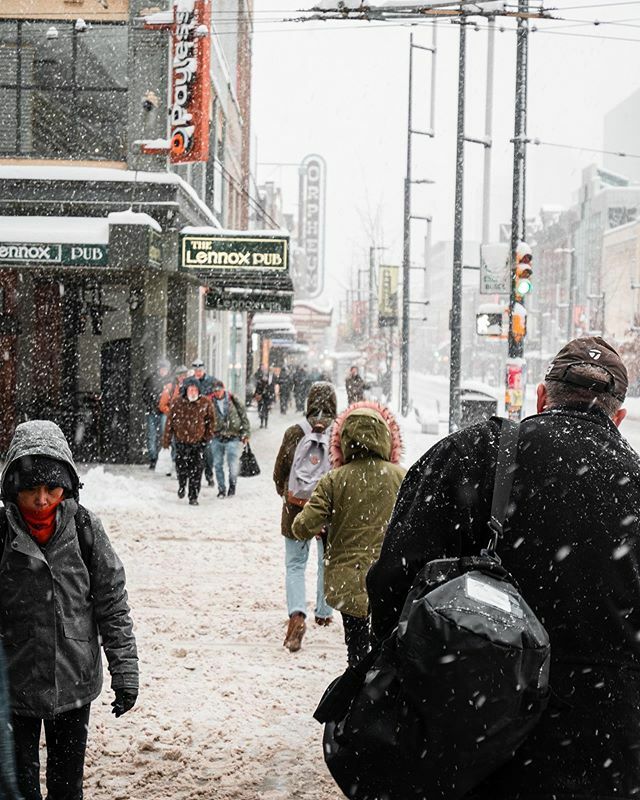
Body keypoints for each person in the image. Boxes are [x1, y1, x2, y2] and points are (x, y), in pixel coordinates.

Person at [367, 336, 640, 800]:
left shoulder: (470, 455)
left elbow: (393, 583)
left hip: (478, 741)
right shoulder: (633, 484)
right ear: (618, 415)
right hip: (609, 752)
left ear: (540, 396)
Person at [0, 420, 138, 800]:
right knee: (17, 791)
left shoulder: (84, 528)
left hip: (74, 684)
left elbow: (112, 604)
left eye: (52, 488)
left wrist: (125, 672)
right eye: (31, 489)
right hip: (16, 687)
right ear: (14, 488)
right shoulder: (3, 533)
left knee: (66, 790)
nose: (42, 500)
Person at [292, 402, 405, 666]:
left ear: (343, 440)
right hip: (389, 578)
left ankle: (356, 686)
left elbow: (303, 526)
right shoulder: (401, 477)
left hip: (348, 579)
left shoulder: (334, 479)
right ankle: (378, 689)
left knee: (355, 647)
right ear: (386, 437)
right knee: (385, 643)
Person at [273, 382, 337, 653]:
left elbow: (279, 473)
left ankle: (297, 615)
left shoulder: (294, 432)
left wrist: (291, 499)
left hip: (296, 509)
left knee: (296, 565)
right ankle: (324, 611)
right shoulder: (340, 432)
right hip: (328, 510)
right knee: (327, 561)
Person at [162, 376, 214, 506]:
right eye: (191, 389)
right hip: (181, 442)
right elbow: (170, 423)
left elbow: (211, 422)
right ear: (186, 390)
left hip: (198, 443)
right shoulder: (177, 403)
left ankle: (193, 496)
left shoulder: (205, 403)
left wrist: (206, 438)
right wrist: (166, 440)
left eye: (195, 389)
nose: (193, 392)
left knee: (196, 471)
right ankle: (182, 485)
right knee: (182, 468)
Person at [210, 379, 250, 498]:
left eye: (219, 390)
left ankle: (232, 486)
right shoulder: (210, 402)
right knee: (217, 464)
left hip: (233, 436)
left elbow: (243, 416)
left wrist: (245, 433)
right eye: (215, 391)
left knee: (233, 464)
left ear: (223, 389)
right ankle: (221, 489)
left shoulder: (233, 400)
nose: (217, 393)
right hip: (217, 437)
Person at [191, 359, 217, 488]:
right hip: (192, 423)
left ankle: (209, 475)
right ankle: (193, 478)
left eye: (200, 370)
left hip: (205, 422)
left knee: (207, 453)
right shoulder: (190, 383)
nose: (198, 373)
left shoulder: (212, 382)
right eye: (196, 371)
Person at [142, 358, 171, 469]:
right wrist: (151, 404)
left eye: (165, 369)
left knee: (164, 435)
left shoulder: (170, 381)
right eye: (162, 369)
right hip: (153, 411)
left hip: (163, 411)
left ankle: (161, 458)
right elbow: (145, 394)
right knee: (152, 436)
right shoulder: (151, 380)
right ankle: (153, 458)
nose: (163, 371)